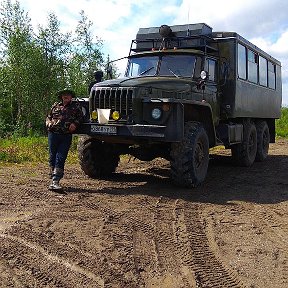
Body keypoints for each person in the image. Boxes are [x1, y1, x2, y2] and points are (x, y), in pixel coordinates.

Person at [46, 89, 83, 192]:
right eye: (64, 95)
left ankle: (55, 181)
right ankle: (53, 177)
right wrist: (48, 123)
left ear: (71, 97)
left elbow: (81, 118)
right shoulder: (55, 106)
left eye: (68, 95)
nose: (66, 96)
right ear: (61, 96)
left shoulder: (76, 107)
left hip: (66, 136)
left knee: (61, 157)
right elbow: (48, 117)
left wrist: (75, 124)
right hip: (53, 134)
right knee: (52, 156)